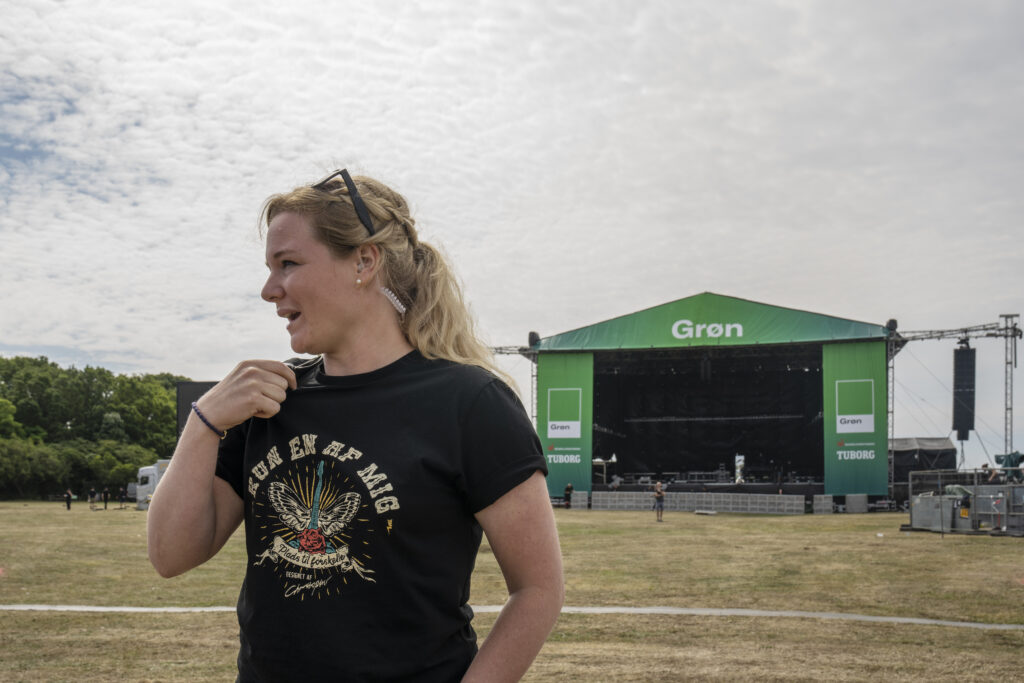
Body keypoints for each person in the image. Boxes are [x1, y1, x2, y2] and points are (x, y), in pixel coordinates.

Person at [147, 168, 564, 682]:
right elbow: (170, 556)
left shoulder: (471, 402)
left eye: (288, 263)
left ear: (364, 262)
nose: (268, 289)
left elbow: (538, 589)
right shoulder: (267, 401)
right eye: (269, 267)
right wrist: (204, 421)